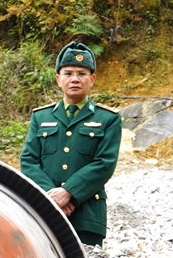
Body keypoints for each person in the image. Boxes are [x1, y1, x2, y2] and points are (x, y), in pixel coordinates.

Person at [19, 42, 121, 246]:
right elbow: (28, 160)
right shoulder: (41, 116)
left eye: (81, 73)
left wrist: (69, 193)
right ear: (58, 79)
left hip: (87, 215)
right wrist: (51, 197)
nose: (75, 79)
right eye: (68, 73)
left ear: (92, 79)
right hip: (45, 211)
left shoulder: (108, 118)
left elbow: (104, 164)